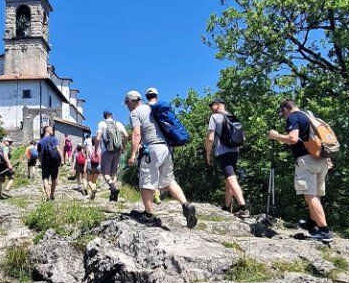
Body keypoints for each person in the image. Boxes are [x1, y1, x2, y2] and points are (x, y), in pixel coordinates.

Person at [124, 89, 197, 228]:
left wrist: (132, 155)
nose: (127, 106)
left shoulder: (135, 113)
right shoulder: (152, 108)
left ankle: (149, 216)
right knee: (168, 181)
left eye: (127, 103)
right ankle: (186, 206)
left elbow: (136, 133)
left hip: (153, 149)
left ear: (130, 101)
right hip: (166, 148)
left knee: (145, 181)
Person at [269, 101, 333, 242]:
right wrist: (327, 158)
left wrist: (276, 135)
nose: (284, 117)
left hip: (306, 160)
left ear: (286, 109)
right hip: (322, 159)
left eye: (282, 114)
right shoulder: (311, 115)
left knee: (309, 196)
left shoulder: (294, 116)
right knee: (316, 195)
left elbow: (292, 138)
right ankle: (312, 224)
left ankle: (324, 231)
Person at [205, 100, 248, 217]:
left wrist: (208, 154)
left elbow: (210, 138)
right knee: (228, 179)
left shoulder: (214, 117)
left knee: (231, 178)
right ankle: (227, 206)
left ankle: (243, 207)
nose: (210, 108)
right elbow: (242, 136)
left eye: (212, 105)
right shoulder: (232, 116)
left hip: (222, 152)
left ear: (218, 105)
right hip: (234, 151)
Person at [97, 110, 127, 201]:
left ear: (104, 116)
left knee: (105, 173)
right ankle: (113, 195)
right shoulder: (118, 123)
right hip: (117, 151)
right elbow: (126, 135)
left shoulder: (102, 123)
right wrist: (123, 145)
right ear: (112, 115)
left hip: (106, 151)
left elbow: (98, 138)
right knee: (113, 174)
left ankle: (113, 188)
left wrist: (95, 150)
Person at [37, 125, 62, 200]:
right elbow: (58, 149)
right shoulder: (53, 138)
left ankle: (47, 195)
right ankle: (52, 194)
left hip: (45, 161)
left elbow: (39, 155)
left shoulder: (40, 141)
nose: (53, 131)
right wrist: (61, 159)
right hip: (54, 161)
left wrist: (41, 162)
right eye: (51, 130)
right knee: (54, 178)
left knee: (45, 178)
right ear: (47, 131)